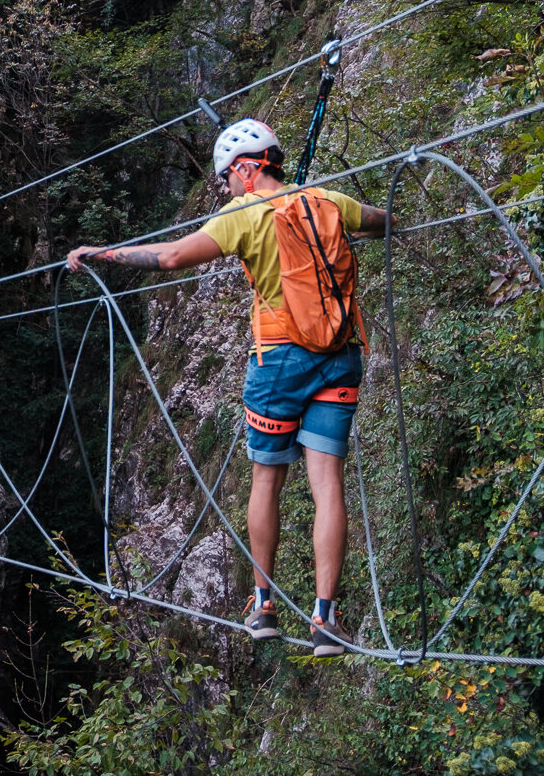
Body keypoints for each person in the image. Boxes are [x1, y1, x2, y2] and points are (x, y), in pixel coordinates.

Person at [65, 117, 389, 655]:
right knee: (327, 482)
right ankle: (325, 620)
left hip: (280, 360)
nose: (224, 187)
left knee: (267, 480)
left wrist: (101, 254)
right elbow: (382, 221)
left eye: (225, 177)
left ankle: (263, 606)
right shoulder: (328, 200)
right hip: (341, 356)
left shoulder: (242, 214)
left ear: (245, 167)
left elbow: (169, 257)